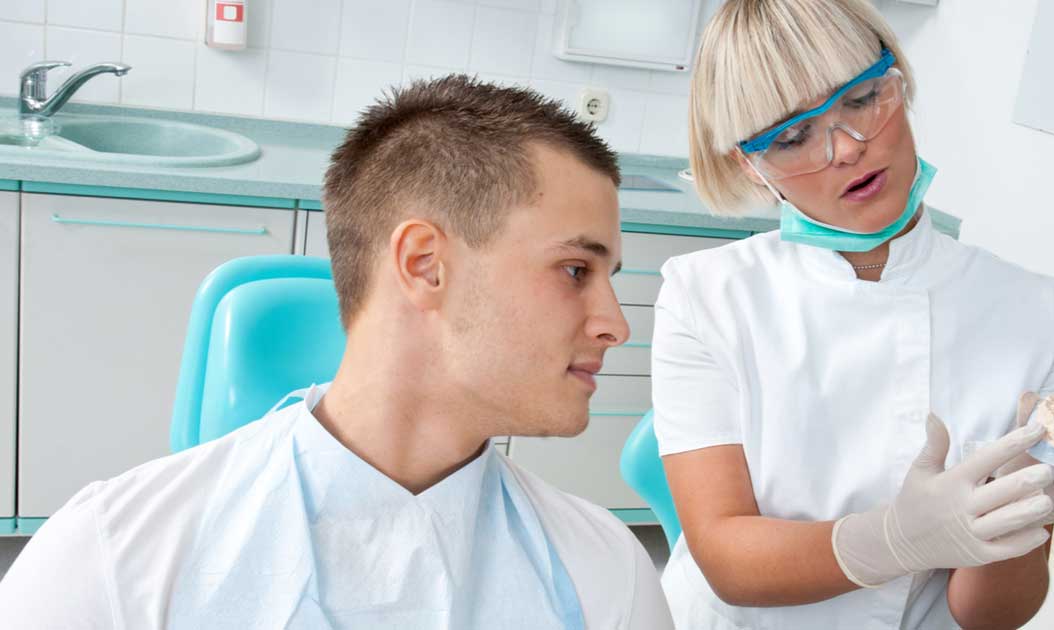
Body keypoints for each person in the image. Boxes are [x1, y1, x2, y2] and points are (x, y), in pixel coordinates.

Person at [0, 75, 672, 629]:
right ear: (426, 265)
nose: (615, 323)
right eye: (577, 270)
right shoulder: (112, 562)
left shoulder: (607, 575)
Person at [650, 1, 1054, 628]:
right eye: (790, 136)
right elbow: (729, 562)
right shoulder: (706, 294)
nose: (845, 149)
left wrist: (1032, 509)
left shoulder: (1039, 314)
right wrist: (897, 539)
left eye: (861, 99)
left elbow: (986, 616)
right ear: (751, 167)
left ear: (901, 82)